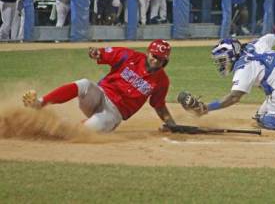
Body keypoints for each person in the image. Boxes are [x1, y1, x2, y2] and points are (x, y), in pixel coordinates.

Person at [22, 39, 176, 133]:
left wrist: (170, 123)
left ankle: (54, 129)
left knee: (87, 129)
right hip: (99, 96)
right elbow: (103, 54)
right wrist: (96, 53)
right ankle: (39, 103)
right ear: (148, 52)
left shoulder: (161, 81)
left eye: (161, 59)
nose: (156, 60)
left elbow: (159, 105)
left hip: (115, 113)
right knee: (84, 84)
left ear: (166, 61)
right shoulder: (129, 56)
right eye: (154, 56)